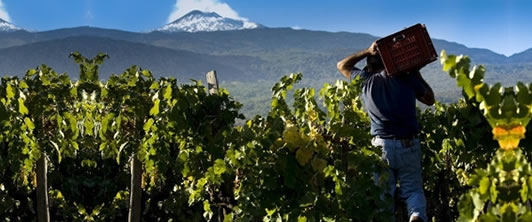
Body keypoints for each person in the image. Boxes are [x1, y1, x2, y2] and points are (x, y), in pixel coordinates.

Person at [336, 41, 435, 222]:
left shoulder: (365, 80)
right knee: (413, 190)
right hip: (408, 144)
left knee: (383, 198)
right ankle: (416, 216)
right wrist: (415, 72)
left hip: (381, 147)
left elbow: (342, 65)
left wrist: (366, 50)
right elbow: (429, 99)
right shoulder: (405, 77)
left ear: (369, 65)